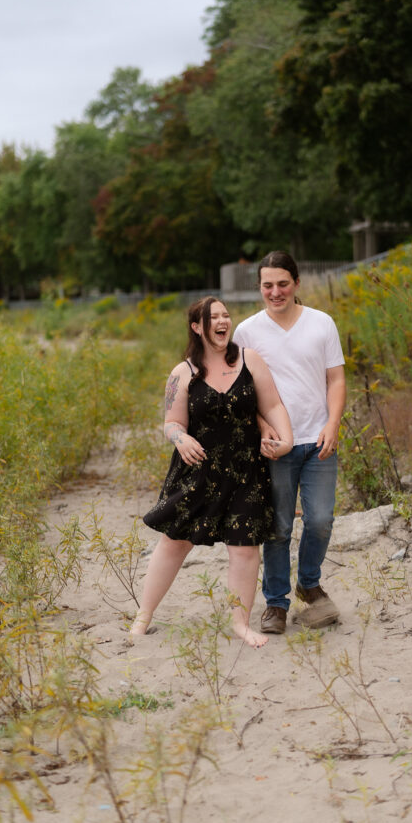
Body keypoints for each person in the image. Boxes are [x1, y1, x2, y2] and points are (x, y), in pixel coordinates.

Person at [131, 296, 293, 647]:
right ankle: (143, 616)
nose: (222, 322)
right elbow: (171, 423)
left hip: (246, 469)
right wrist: (181, 439)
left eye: (226, 315)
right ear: (197, 326)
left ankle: (240, 623)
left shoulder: (250, 361)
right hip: (198, 470)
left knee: (245, 548)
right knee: (174, 543)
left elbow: (273, 404)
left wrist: (287, 440)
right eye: (213, 317)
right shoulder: (182, 373)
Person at [233, 251, 346, 634]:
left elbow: (336, 379)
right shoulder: (247, 332)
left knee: (320, 520)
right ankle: (276, 605)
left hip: (318, 441)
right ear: (259, 287)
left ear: (296, 283)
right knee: (278, 527)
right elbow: (242, 391)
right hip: (275, 446)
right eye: (268, 285)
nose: (275, 292)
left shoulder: (322, 323)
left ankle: (309, 584)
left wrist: (333, 423)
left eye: (283, 284)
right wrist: (262, 426)